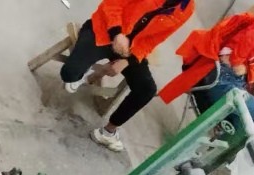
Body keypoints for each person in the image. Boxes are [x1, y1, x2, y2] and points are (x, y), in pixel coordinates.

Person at [61, 0, 196, 152]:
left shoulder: (187, 8)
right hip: (103, 31)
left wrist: (127, 61)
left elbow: (153, 40)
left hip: (130, 50)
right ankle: (88, 71)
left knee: (146, 90)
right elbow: (111, 5)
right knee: (69, 75)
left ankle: (108, 132)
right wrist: (117, 34)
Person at [158, 13, 254, 133]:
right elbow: (251, 38)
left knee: (244, 123)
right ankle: (198, 140)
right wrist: (237, 61)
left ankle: (211, 142)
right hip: (222, 77)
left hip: (232, 79)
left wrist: (249, 67)